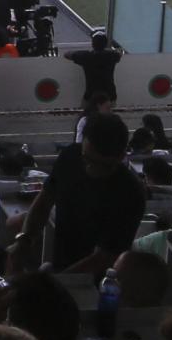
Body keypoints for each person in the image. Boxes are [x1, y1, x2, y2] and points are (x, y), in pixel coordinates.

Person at [16, 108, 145, 272]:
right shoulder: (70, 157)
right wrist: (24, 240)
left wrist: (61, 280)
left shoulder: (130, 194)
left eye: (103, 165)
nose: (92, 168)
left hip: (96, 284)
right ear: (82, 142)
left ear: (121, 157)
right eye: (87, 159)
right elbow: (44, 201)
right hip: (61, 264)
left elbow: (104, 257)